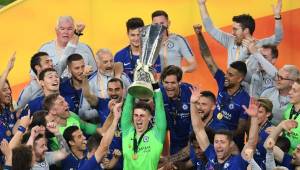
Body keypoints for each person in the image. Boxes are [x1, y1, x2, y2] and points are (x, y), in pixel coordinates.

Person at [194, 25, 250, 150]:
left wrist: (220, 137)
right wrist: (199, 35)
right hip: (212, 137)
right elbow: (207, 58)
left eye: (230, 75)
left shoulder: (244, 100)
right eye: (226, 73)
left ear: (240, 79)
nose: (226, 76)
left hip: (229, 145)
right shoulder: (222, 81)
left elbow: (240, 130)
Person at [197, 0, 283, 67]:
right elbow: (210, 28)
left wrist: (277, 17)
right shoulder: (230, 41)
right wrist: (201, 5)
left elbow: (278, 38)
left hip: (249, 89)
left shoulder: (259, 45)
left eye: (235, 29)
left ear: (246, 30)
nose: (232, 33)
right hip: (230, 88)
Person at [190, 86, 258, 170]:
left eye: (222, 142)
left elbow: (251, 143)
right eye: (216, 142)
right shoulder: (211, 153)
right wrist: (193, 103)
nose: (218, 145)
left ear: (230, 145)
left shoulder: (238, 162)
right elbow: (198, 129)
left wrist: (254, 118)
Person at [121, 80, 166, 169]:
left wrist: (155, 84)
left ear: (149, 117)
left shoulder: (157, 135)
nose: (138, 118)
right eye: (136, 115)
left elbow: (160, 108)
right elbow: (128, 106)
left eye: (142, 115)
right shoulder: (127, 132)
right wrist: (136, 82)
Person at [62, 102, 121, 170]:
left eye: (82, 134)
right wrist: (116, 119)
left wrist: (112, 113)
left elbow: (103, 131)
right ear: (71, 142)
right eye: (79, 136)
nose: (84, 138)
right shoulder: (68, 161)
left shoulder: (88, 149)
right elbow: (103, 146)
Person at [160, 65, 192, 155]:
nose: (169, 86)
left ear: (179, 82)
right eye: (166, 82)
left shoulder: (190, 92)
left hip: (191, 142)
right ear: (162, 82)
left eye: (173, 83)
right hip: (174, 143)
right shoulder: (159, 94)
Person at [0, 53, 16, 142]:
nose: (9, 92)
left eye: (9, 89)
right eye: (4, 90)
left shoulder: (9, 111)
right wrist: (7, 69)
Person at [282, 77, 300, 153]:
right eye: (291, 89)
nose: (290, 92)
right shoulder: (288, 108)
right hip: (282, 153)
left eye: (294, 91)